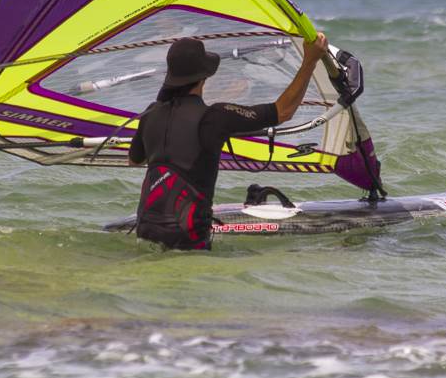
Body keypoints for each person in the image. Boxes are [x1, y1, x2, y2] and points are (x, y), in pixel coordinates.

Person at [128, 33, 329, 250]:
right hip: (188, 239)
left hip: (146, 229)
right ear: (204, 76)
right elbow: (282, 111)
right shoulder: (215, 117)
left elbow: (135, 160)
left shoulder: (150, 113)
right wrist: (310, 61)